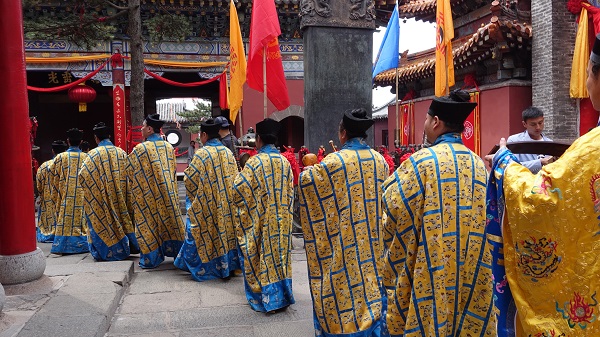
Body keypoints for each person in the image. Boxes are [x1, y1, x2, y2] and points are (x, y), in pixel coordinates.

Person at [485, 33, 600, 337]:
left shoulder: (591, 150)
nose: (587, 82)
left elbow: (538, 198)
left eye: (588, 73)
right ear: (526, 124)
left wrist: (504, 164)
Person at [381, 90, 496, 336]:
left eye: (425, 120)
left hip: (431, 262)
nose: (424, 126)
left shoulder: (421, 161)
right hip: (469, 263)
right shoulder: (477, 163)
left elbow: (391, 206)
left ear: (436, 122)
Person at [298, 108, 389, 336]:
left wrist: (306, 170)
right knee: (370, 287)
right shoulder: (380, 161)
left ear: (343, 134)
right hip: (372, 242)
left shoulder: (334, 161)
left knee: (342, 289)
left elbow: (308, 183)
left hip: (343, 244)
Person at [232, 118, 295, 312]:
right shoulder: (284, 162)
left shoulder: (254, 163)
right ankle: (281, 296)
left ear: (258, 139)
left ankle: (264, 296)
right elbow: (291, 190)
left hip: (260, 219)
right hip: (282, 220)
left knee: (259, 255)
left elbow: (239, 190)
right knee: (280, 257)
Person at [175, 118, 241, 281]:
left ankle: (207, 268)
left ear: (204, 135)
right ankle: (226, 266)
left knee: (202, 234)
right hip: (226, 206)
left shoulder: (202, 154)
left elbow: (190, 179)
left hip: (206, 206)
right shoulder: (228, 153)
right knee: (224, 234)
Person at [127, 114, 185, 269]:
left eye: (144, 126)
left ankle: (151, 259)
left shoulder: (141, 149)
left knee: (148, 226)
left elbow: (129, 170)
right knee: (171, 223)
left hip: (148, 197)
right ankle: (178, 255)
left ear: (150, 129)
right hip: (167, 195)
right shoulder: (168, 147)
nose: (141, 128)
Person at [78, 122, 139, 261]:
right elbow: (130, 173)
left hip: (102, 198)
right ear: (109, 136)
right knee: (123, 220)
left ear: (96, 138)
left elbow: (83, 175)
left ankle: (108, 250)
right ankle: (127, 246)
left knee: (103, 222)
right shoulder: (121, 152)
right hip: (121, 196)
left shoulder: (93, 155)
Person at [49, 128, 89, 254]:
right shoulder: (87, 157)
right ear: (81, 141)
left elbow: (51, 174)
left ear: (68, 141)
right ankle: (84, 244)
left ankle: (64, 246)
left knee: (66, 220)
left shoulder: (61, 157)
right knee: (83, 220)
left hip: (65, 194)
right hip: (83, 195)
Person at [35, 140, 68, 243]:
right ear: (65, 150)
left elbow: (39, 185)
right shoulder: (69, 165)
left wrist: (42, 194)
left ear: (53, 151)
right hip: (64, 198)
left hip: (48, 200)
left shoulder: (44, 166)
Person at [505, 107, 555, 173]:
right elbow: (511, 166)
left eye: (540, 123)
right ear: (524, 124)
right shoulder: (515, 141)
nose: (538, 127)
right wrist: (539, 163)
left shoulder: (550, 143)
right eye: (533, 124)